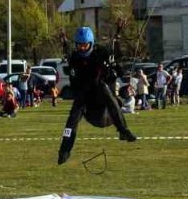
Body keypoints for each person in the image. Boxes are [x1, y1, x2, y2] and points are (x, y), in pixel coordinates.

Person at [57, 25, 136, 165]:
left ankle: (123, 130)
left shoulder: (101, 54)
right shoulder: (75, 58)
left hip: (106, 110)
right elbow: (67, 51)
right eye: (79, 46)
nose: (82, 48)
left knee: (103, 87)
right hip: (89, 107)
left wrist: (114, 69)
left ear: (91, 44)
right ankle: (64, 150)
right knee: (72, 117)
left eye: (85, 45)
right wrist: (63, 39)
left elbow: (118, 60)